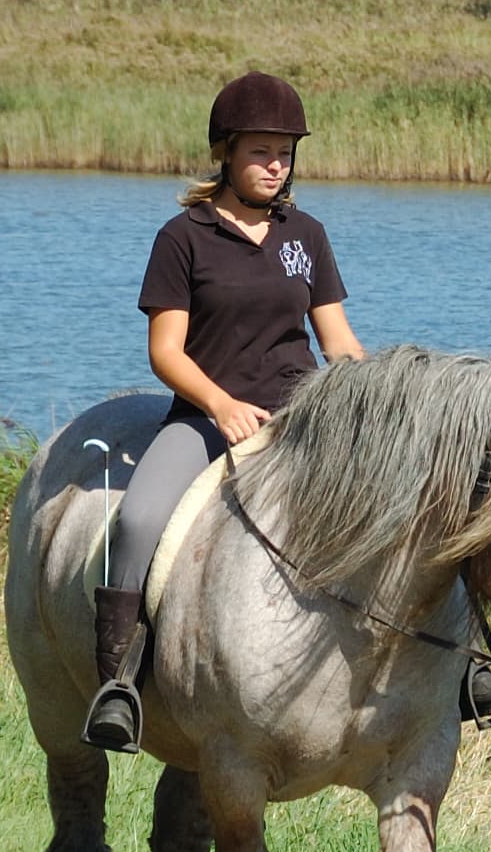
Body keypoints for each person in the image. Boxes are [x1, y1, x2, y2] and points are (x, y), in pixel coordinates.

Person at [87, 71, 365, 752]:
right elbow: (166, 352)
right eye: (260, 151)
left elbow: (337, 341)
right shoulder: (184, 237)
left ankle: (452, 674)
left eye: (285, 153)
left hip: (302, 420)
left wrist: (372, 399)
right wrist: (221, 405)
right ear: (226, 153)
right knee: (141, 518)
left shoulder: (308, 236)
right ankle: (119, 685)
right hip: (209, 419)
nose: (275, 165)